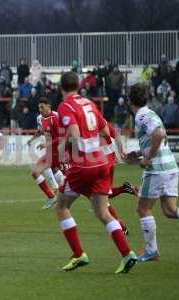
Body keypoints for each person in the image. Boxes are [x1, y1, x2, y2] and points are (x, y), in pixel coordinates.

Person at [55, 71, 136, 273]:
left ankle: (78, 254)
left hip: (84, 164)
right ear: (79, 86)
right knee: (102, 211)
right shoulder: (89, 103)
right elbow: (106, 131)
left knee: (62, 206)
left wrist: (64, 148)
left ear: (61, 87)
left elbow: (73, 133)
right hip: (101, 163)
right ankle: (127, 254)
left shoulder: (66, 106)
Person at [126, 83, 179, 262]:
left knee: (143, 208)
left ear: (129, 101)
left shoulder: (142, 115)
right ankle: (152, 251)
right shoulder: (148, 113)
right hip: (170, 166)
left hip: (157, 169)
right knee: (170, 211)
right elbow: (155, 136)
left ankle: (151, 251)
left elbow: (158, 133)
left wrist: (147, 158)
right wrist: (139, 153)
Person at [26, 98, 65, 209]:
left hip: (59, 152)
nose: (40, 109)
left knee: (70, 180)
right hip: (50, 152)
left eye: (42, 107)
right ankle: (53, 195)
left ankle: (54, 194)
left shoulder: (56, 118)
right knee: (36, 172)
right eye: (39, 107)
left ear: (49, 106)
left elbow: (61, 138)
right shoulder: (40, 118)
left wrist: (46, 145)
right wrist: (32, 139)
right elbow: (41, 131)